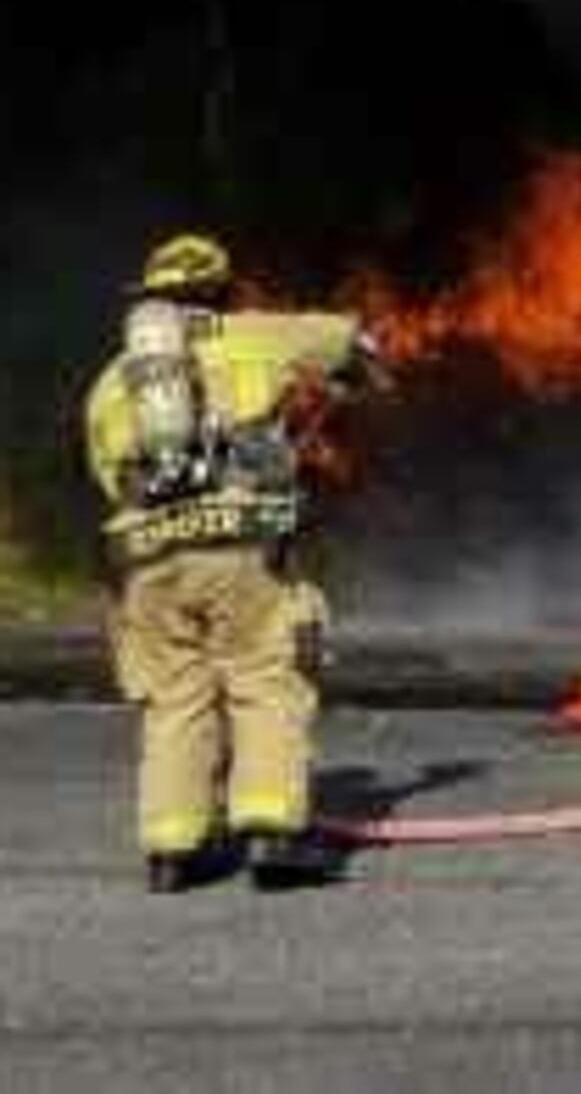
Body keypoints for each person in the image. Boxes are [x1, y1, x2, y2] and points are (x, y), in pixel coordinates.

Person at [82, 233, 380, 892]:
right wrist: (358, 361)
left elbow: (107, 476)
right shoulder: (257, 335)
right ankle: (272, 831)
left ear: (149, 299)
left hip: (142, 560)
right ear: (221, 292)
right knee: (265, 676)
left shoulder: (109, 382)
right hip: (240, 547)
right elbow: (349, 341)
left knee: (174, 699)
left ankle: (172, 850)